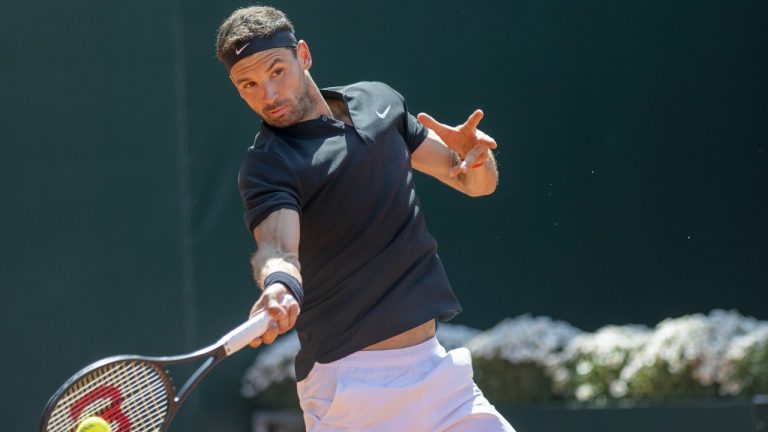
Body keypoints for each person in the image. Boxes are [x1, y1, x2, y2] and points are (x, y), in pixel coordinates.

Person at [215, 6, 515, 432]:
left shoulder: (379, 102)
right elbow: (278, 248)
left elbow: (473, 183)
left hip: (438, 373)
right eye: (248, 85)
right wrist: (279, 285)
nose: (268, 95)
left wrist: (476, 159)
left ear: (303, 55)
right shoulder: (268, 164)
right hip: (352, 390)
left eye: (276, 71)